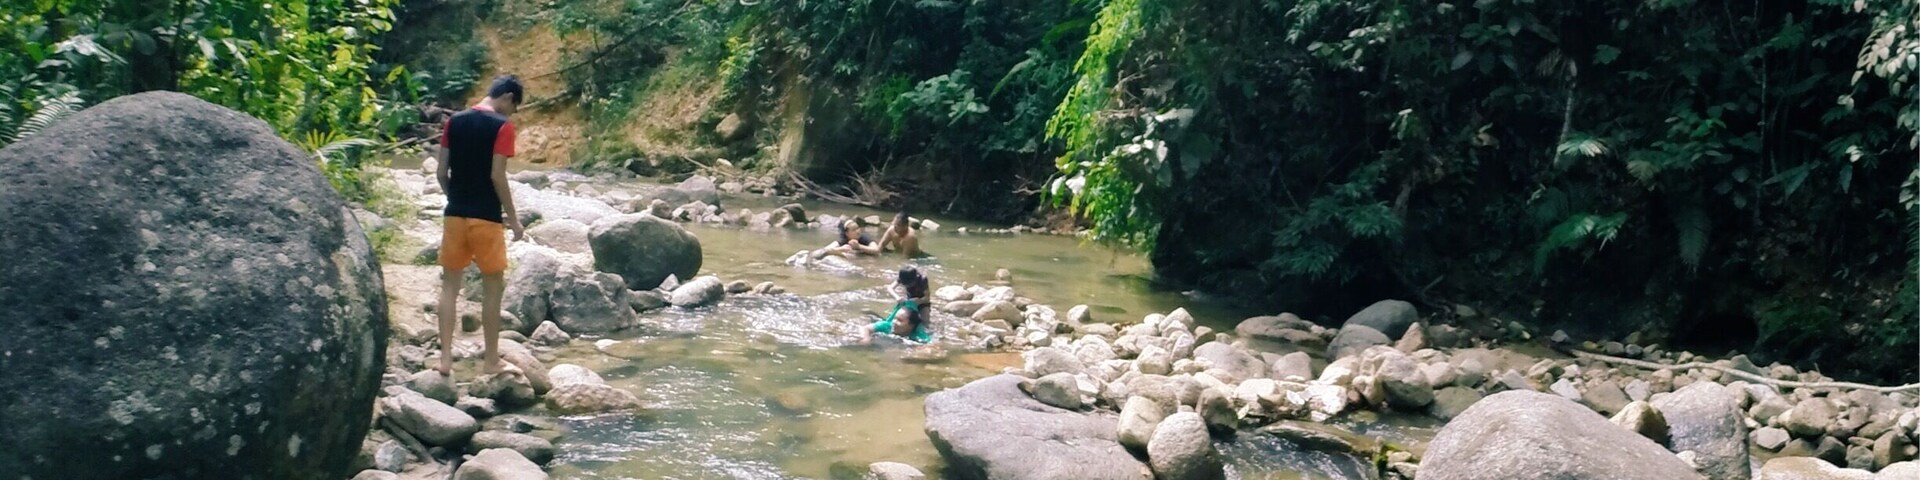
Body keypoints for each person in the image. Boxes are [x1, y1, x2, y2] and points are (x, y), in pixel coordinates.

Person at [434, 74, 526, 376]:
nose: (510, 113)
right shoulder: (502, 126)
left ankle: (445, 359)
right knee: (492, 289)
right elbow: (497, 176)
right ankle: (490, 360)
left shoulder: (454, 121)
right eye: (513, 107)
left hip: (455, 214)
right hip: (486, 217)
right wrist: (513, 220)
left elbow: (441, 172)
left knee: (449, 286)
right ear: (508, 98)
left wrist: (457, 198)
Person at [861, 266, 932, 344]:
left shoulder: (922, 279)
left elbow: (927, 298)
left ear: (914, 280)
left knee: (925, 322)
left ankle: (923, 334)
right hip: (908, 300)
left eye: (908, 284)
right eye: (905, 284)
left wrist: (918, 301)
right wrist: (897, 297)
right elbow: (890, 288)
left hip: (922, 301)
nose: (906, 286)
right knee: (899, 316)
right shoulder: (903, 277)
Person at [814, 219, 882, 259]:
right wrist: (841, 249)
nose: (858, 231)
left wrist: (859, 246)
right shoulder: (842, 242)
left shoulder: (864, 238)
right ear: (847, 233)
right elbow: (823, 251)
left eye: (858, 228)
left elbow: (877, 250)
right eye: (854, 230)